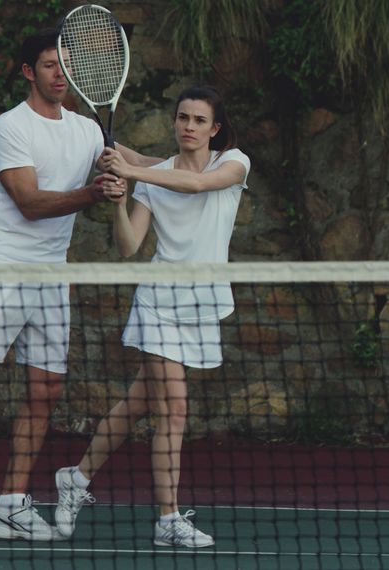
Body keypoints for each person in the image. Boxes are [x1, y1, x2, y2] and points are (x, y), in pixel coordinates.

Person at [0, 29, 158, 543]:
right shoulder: (9, 128)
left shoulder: (88, 130)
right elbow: (30, 203)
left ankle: (10, 506)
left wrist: (213, 167)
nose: (60, 74)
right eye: (48, 66)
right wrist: (92, 193)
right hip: (3, 268)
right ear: (28, 72)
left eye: (65, 66)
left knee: (45, 391)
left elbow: (145, 166)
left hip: (51, 277)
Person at [52, 85, 250, 548]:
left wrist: (138, 168)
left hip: (201, 305)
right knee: (173, 410)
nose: (189, 126)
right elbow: (128, 247)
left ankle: (75, 479)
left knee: (138, 403)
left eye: (200, 120)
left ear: (215, 128)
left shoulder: (234, 163)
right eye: (183, 118)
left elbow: (197, 185)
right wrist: (122, 198)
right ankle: (168, 520)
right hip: (160, 302)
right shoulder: (154, 177)